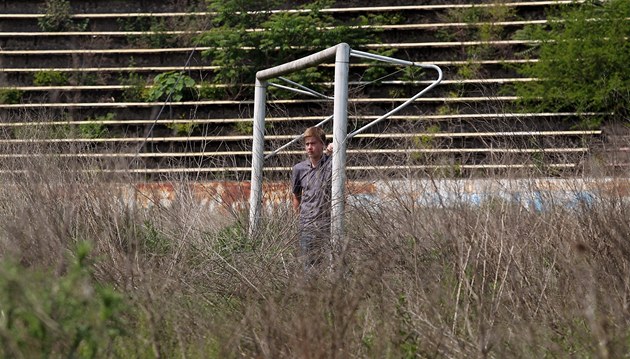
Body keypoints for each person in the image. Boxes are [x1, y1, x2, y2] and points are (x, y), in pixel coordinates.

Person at [291, 126, 334, 271]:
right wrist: (300, 218)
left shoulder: (332, 164)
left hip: (329, 225)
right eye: (307, 144)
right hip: (307, 226)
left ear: (322, 144)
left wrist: (336, 151)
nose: (310, 147)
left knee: (333, 265)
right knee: (309, 268)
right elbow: (296, 196)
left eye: (313, 143)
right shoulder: (299, 169)